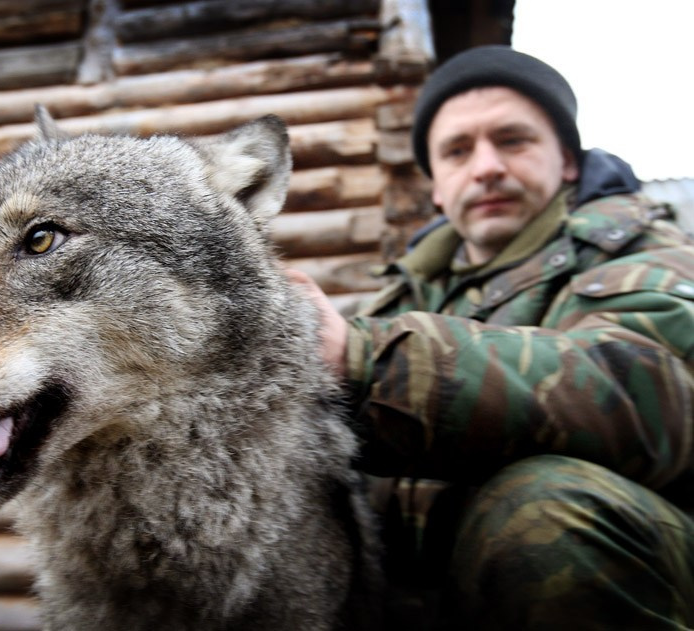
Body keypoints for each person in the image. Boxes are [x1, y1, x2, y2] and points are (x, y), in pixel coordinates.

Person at [290, 45, 694, 629]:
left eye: (513, 140)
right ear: (435, 186)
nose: (485, 167)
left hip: (634, 551)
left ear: (569, 162)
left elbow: (648, 392)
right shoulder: (398, 297)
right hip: (442, 586)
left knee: (543, 508)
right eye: (457, 151)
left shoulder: (644, 250)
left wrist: (366, 361)